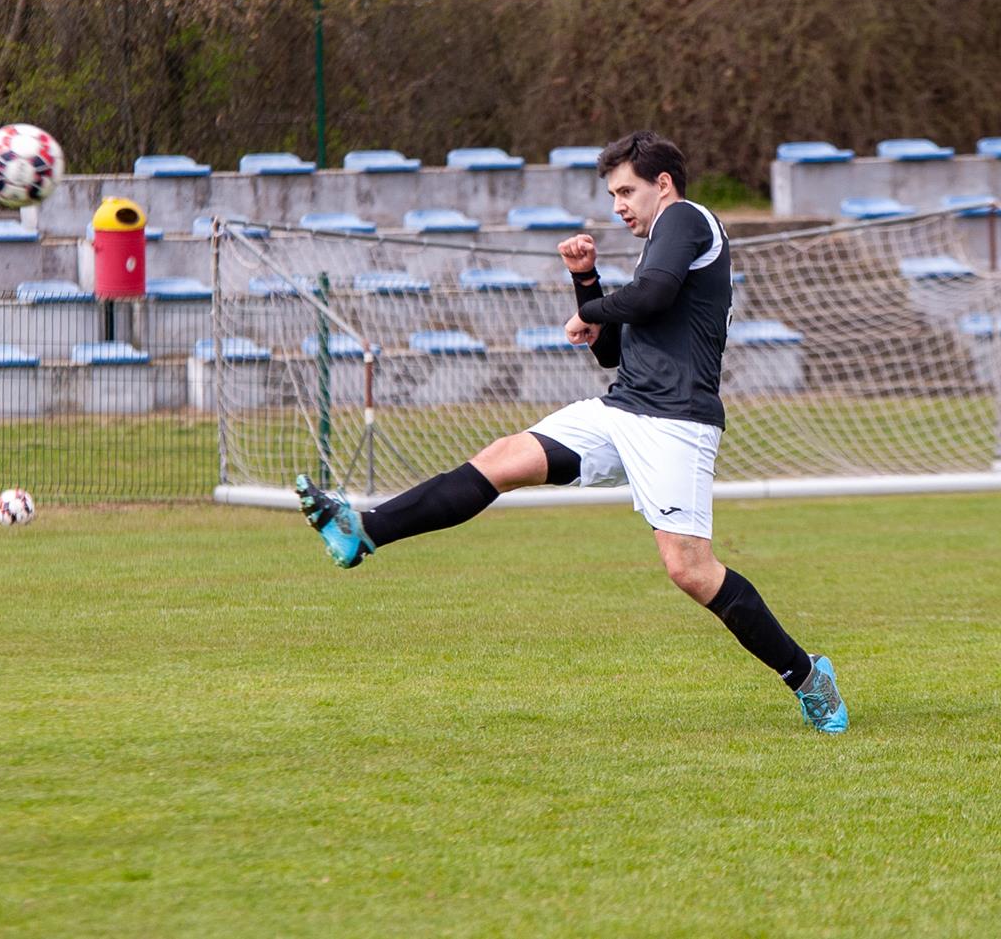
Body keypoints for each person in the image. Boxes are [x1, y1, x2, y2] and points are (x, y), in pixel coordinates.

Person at [295, 130, 848, 734]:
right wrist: (586, 282)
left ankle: (807, 675)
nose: (618, 205)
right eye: (613, 194)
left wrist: (590, 309)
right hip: (622, 408)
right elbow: (614, 350)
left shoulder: (686, 217)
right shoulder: (662, 240)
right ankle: (362, 532)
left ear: (662, 184)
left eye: (627, 190)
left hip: (676, 422)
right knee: (504, 458)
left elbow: (653, 294)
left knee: (689, 569)